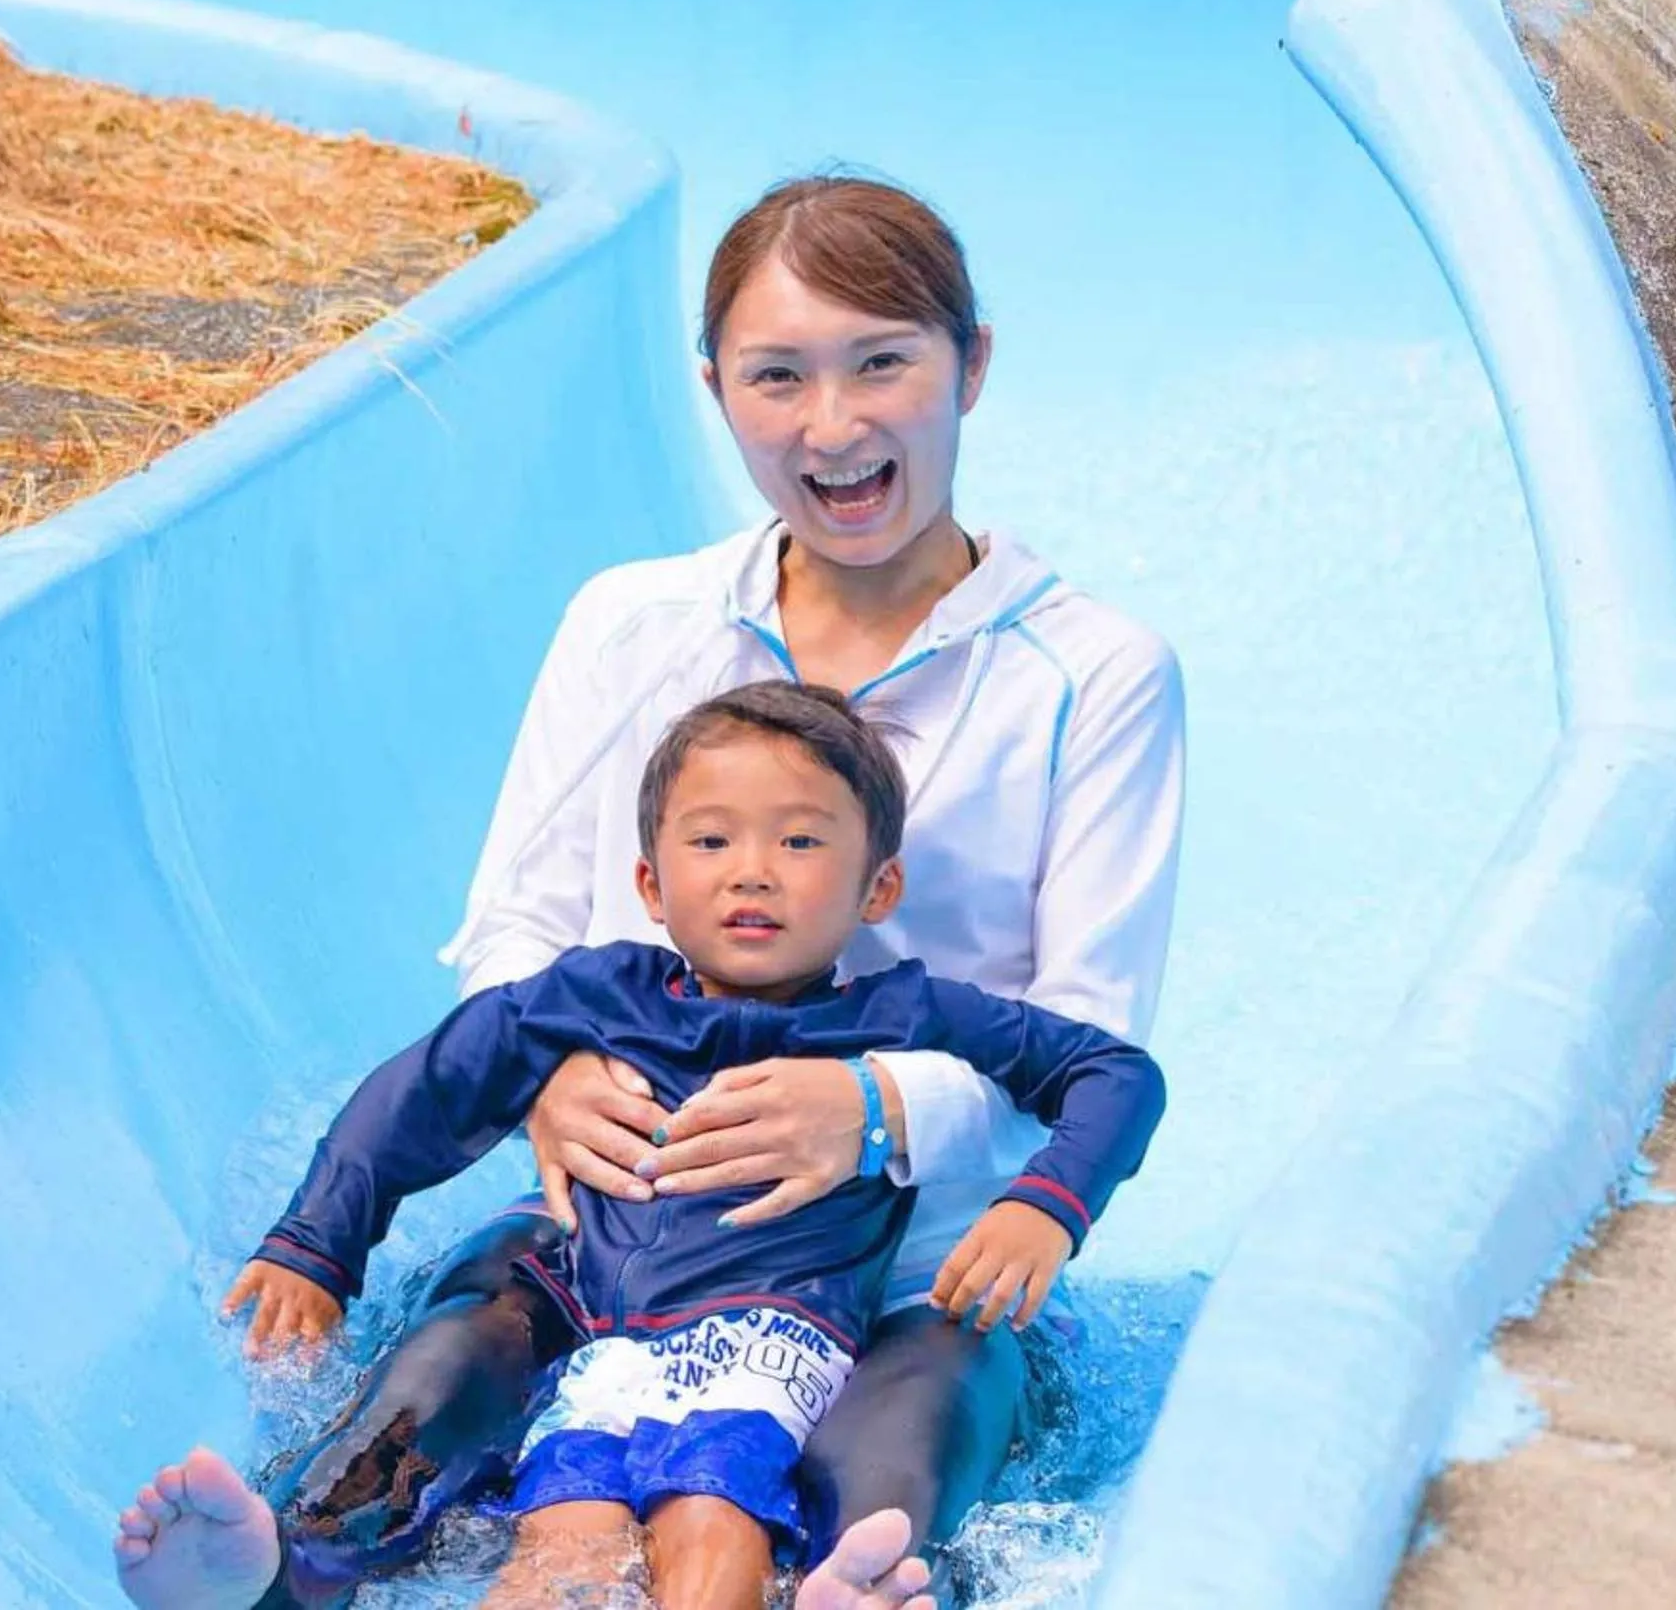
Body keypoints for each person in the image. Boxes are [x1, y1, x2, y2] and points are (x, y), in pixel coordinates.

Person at [114, 171, 1187, 1609]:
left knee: (901, 1417)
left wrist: (868, 1112)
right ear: (713, 387)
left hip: (911, 1270)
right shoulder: (634, 624)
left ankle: (844, 1587)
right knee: (468, 1340)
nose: (832, 424)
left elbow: (1089, 1033)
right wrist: (546, 1074)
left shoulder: (1093, 675)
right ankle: (289, 1562)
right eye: (776, 377)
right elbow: (514, 928)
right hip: (619, 1225)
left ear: (968, 366)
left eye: (882, 362)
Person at [124, 683, 1164, 1610]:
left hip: (768, 1341)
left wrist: (1044, 1204)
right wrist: (317, 1243)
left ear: (876, 890)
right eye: (710, 844)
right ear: (650, 883)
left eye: (799, 844)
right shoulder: (594, 995)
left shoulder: (901, 1016)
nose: (751, 873)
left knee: (707, 1527)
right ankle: (280, 1567)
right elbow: (429, 1085)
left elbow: (1114, 1074)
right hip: (600, 1340)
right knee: (557, 1545)